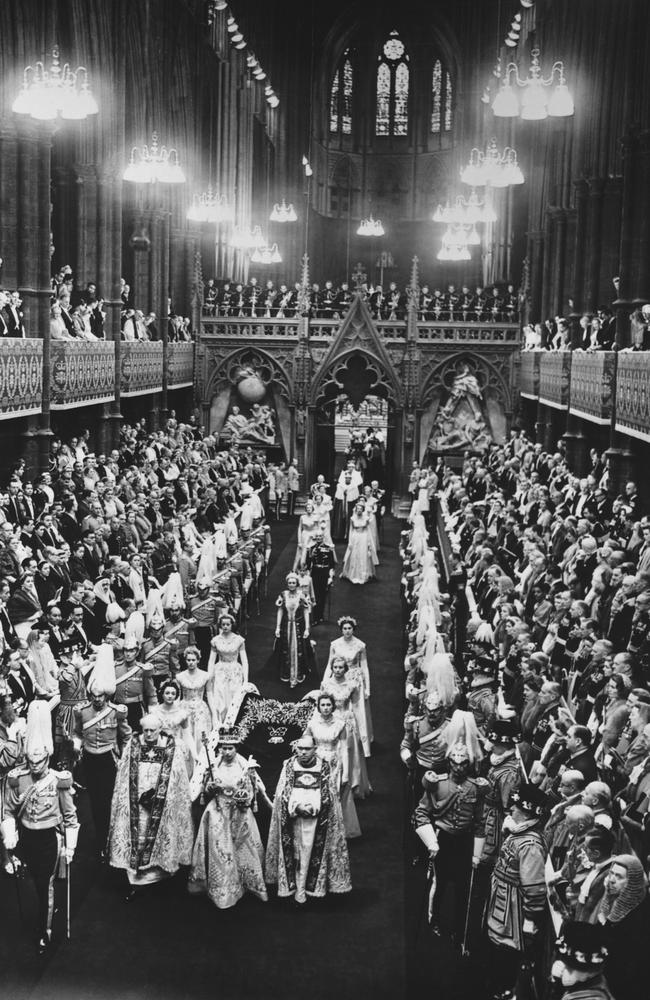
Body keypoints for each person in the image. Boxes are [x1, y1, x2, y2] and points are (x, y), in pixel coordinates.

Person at [2, 701, 79, 952]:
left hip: (49, 839)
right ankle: (42, 913)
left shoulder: (60, 781)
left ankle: (44, 932)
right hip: (27, 838)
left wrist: (70, 848)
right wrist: (9, 833)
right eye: (31, 762)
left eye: (40, 761)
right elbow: (9, 810)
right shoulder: (18, 779)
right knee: (32, 882)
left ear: (47, 758)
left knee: (45, 885)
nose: (35, 766)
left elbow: (70, 816)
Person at [107, 713, 194, 900]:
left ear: (159, 729)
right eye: (145, 730)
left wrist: (163, 795)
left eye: (152, 731)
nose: (148, 734)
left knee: (162, 836)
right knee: (138, 835)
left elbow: (178, 776)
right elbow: (124, 774)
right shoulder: (134, 744)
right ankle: (137, 880)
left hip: (162, 801)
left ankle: (159, 874)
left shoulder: (172, 746)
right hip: (136, 801)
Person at [264, 733, 351, 905]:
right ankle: (293, 888)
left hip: (316, 820)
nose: (303, 752)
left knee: (308, 853)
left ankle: (306, 890)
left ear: (315, 749)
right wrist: (296, 807)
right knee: (295, 854)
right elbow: (282, 793)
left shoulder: (324, 767)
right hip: (293, 818)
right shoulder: (288, 765)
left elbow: (330, 796)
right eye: (300, 748)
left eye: (307, 749)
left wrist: (313, 807)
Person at [414, 740, 487, 938]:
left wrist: (476, 855)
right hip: (443, 839)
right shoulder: (437, 783)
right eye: (455, 762)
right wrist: (431, 841)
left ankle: (458, 927)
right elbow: (421, 813)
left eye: (463, 763)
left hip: (464, 841)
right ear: (449, 763)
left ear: (468, 764)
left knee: (464, 887)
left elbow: (480, 822)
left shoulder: (476, 788)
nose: (459, 767)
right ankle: (434, 919)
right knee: (440, 883)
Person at [188, 727, 268, 909]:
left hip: (240, 812)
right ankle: (223, 890)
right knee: (220, 850)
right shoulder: (214, 766)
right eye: (223, 748)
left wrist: (243, 797)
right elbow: (205, 790)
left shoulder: (246, 766)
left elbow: (251, 792)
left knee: (243, 849)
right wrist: (212, 788)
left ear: (236, 748)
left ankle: (247, 884)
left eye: (230, 748)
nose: (227, 752)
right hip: (218, 812)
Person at [485, 782, 548, 1000]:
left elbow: (534, 888)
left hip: (513, 914)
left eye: (516, 807)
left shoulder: (530, 845)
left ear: (526, 811)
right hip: (502, 905)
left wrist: (530, 920)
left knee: (507, 963)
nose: (511, 809)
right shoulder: (518, 833)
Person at [72, 645, 131, 855]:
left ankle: (111, 837)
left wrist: (124, 757)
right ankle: (100, 840)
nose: (97, 699)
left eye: (100, 696)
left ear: (106, 696)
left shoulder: (117, 713)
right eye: (94, 696)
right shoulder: (82, 712)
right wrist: (77, 747)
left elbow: (126, 736)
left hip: (108, 759)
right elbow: (77, 733)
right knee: (94, 801)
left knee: (109, 800)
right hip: (90, 759)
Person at [304, 691, 361, 839]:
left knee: (332, 796)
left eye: (328, 704)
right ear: (318, 707)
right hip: (316, 763)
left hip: (333, 764)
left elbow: (344, 750)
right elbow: (305, 743)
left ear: (333, 706)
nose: (326, 708)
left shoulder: (340, 725)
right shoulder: (312, 724)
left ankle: (332, 828)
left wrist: (346, 773)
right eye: (322, 705)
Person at [596, 854, 650, 1000]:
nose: (612, 880)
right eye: (611, 874)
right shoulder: (614, 898)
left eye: (619, 877)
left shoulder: (640, 919)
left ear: (632, 882)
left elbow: (630, 968)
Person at [323, 616, 372, 756]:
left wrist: (368, 687)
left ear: (353, 629)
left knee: (357, 710)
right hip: (337, 679)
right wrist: (325, 680)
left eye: (349, 628)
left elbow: (365, 667)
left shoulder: (360, 645)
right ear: (341, 629)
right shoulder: (335, 644)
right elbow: (329, 665)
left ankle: (359, 744)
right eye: (344, 628)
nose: (347, 631)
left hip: (355, 680)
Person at [552, 921, 614, 1000]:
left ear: (590, 972)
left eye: (570, 966)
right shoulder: (595, 981)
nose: (563, 969)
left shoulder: (589, 997)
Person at [206, 613, 248, 725]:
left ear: (231, 625)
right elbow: (211, 660)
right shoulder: (216, 640)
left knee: (234, 697)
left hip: (235, 671)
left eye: (227, 624)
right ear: (220, 625)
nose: (225, 626)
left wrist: (246, 680)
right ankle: (221, 725)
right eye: (223, 624)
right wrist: (209, 676)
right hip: (220, 671)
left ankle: (233, 724)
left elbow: (244, 661)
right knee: (220, 698)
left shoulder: (239, 640)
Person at [274, 572, 312, 688]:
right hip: (286, 626)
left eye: (293, 583)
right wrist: (278, 627)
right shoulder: (283, 595)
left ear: (297, 584)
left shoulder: (302, 595)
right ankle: (287, 673)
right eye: (289, 583)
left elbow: (306, 611)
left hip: (298, 627)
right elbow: (280, 610)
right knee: (285, 649)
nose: (291, 585)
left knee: (298, 649)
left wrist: (307, 628)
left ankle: (297, 674)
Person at [175, 645, 213, 755]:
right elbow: (177, 697)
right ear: (185, 660)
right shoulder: (180, 676)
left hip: (200, 709)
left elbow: (210, 694)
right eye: (188, 660)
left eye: (193, 660)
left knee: (200, 737)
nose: (191, 662)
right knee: (185, 737)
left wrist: (215, 715)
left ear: (198, 660)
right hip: (184, 708)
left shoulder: (206, 676)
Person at [340, 501, 378, 585]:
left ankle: (363, 574)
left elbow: (368, 530)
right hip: (355, 537)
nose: (359, 510)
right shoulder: (352, 518)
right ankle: (353, 574)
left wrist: (369, 542)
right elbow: (351, 530)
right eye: (358, 509)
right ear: (356, 510)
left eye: (361, 509)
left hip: (364, 537)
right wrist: (350, 542)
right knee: (354, 554)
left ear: (363, 510)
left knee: (363, 554)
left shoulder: (366, 519)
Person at [304, 528, 336, 625]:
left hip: (324, 572)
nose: (318, 538)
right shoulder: (311, 548)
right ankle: (315, 617)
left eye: (320, 536)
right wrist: (310, 555)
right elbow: (308, 563)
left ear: (323, 537)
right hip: (315, 573)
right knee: (315, 595)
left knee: (323, 595)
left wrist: (331, 577)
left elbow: (332, 564)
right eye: (317, 536)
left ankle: (321, 615)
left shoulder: (328, 548)